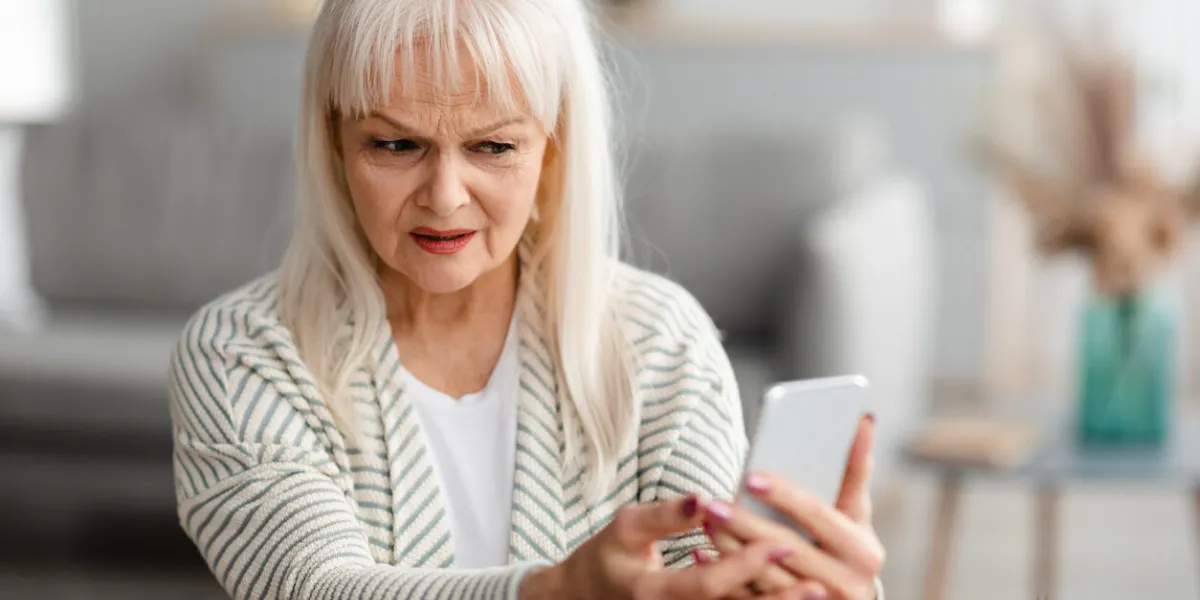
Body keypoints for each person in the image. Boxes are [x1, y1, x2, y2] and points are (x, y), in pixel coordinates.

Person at [166, 0, 885, 598]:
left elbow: (700, 575)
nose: (445, 197)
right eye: (395, 145)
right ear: (333, 142)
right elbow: (317, 587)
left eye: (494, 147)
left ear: (553, 147)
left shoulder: (658, 342)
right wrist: (558, 589)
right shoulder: (241, 356)